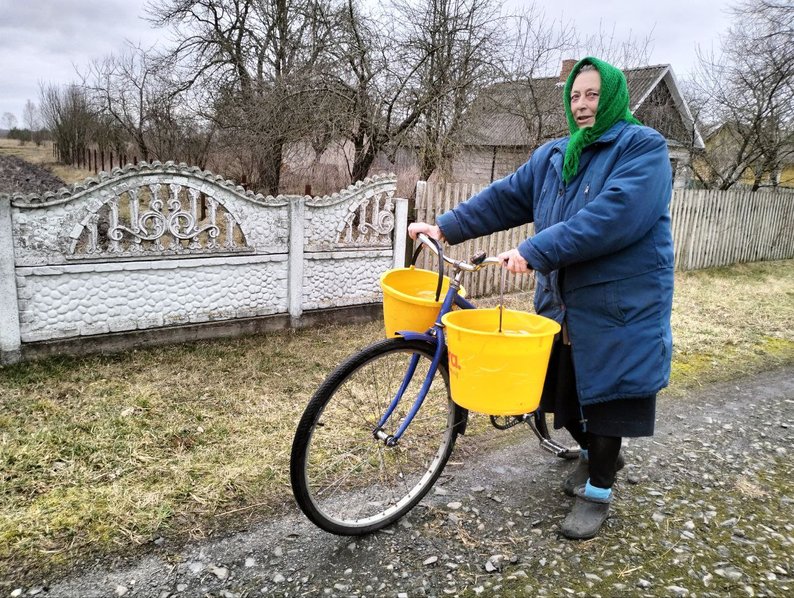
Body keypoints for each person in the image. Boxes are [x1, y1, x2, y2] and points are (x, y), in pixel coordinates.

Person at [408, 56, 674, 540]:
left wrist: (535, 249)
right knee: (564, 396)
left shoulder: (643, 149)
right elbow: (505, 198)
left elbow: (613, 217)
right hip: (564, 300)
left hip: (620, 304)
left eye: (593, 94)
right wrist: (445, 227)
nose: (583, 104)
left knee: (610, 397)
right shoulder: (555, 155)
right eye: (575, 96)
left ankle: (598, 490)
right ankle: (595, 455)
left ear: (613, 96)